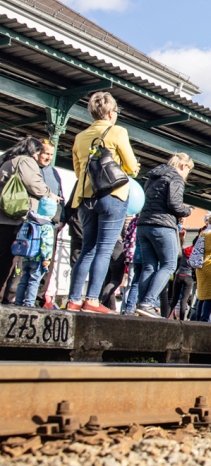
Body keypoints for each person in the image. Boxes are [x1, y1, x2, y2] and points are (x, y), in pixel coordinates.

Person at [68, 92, 140, 313]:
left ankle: (73, 300)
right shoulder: (118, 131)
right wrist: (133, 167)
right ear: (110, 112)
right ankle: (91, 299)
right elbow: (130, 167)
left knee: (87, 249)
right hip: (112, 196)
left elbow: (79, 170)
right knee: (104, 248)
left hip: (85, 198)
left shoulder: (80, 136)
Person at [130, 153, 193, 318]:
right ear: (183, 166)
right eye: (189, 170)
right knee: (169, 265)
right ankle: (148, 302)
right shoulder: (176, 178)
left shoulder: (152, 177)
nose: (187, 174)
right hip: (162, 226)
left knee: (149, 266)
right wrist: (187, 211)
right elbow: (174, 204)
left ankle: (142, 303)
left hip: (144, 225)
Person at [0, 136, 60, 301]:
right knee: (8, 260)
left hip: (3, 216)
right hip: (12, 219)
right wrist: (51, 195)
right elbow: (34, 183)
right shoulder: (25, 161)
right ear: (34, 151)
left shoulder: (8, 159)